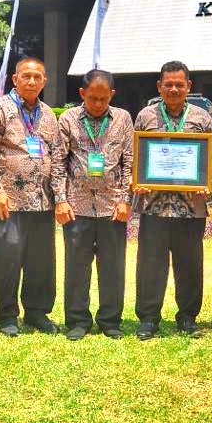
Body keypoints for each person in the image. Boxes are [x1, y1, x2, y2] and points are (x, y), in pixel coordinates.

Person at [0, 57, 60, 337]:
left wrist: (59, 197)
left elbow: (57, 157)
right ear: (15, 79)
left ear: (45, 81)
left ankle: (37, 312)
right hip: (7, 202)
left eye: (38, 77)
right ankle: (7, 314)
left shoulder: (48, 114)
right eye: (26, 76)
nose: (32, 81)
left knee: (41, 261)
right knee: (8, 258)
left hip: (42, 201)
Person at [132, 60, 212, 340]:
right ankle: (148, 318)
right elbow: (137, 156)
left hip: (191, 209)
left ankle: (188, 317)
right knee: (150, 265)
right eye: (169, 84)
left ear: (189, 86)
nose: (174, 89)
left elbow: (210, 157)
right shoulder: (145, 116)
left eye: (180, 84)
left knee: (189, 264)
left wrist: (207, 182)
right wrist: (138, 180)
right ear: (159, 86)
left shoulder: (202, 118)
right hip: (153, 206)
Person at [51, 69, 134, 341]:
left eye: (103, 98)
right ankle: (77, 320)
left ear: (112, 94)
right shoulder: (68, 119)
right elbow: (58, 163)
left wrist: (125, 200)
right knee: (77, 267)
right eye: (93, 98)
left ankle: (110, 320)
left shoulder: (122, 118)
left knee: (112, 267)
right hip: (77, 207)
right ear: (82, 94)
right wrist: (60, 201)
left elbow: (129, 163)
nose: (98, 104)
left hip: (113, 208)